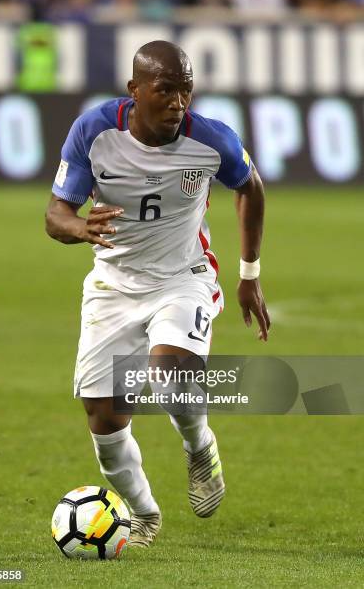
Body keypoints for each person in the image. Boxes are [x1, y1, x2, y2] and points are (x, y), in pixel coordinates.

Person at [45, 40, 270, 547]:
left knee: (171, 373)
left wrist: (249, 273)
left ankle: (199, 445)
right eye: (165, 90)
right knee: (104, 419)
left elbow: (251, 188)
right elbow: (55, 215)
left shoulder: (212, 140)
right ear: (135, 90)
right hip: (113, 283)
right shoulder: (94, 131)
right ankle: (143, 514)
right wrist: (79, 228)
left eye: (185, 91)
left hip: (182, 275)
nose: (178, 103)